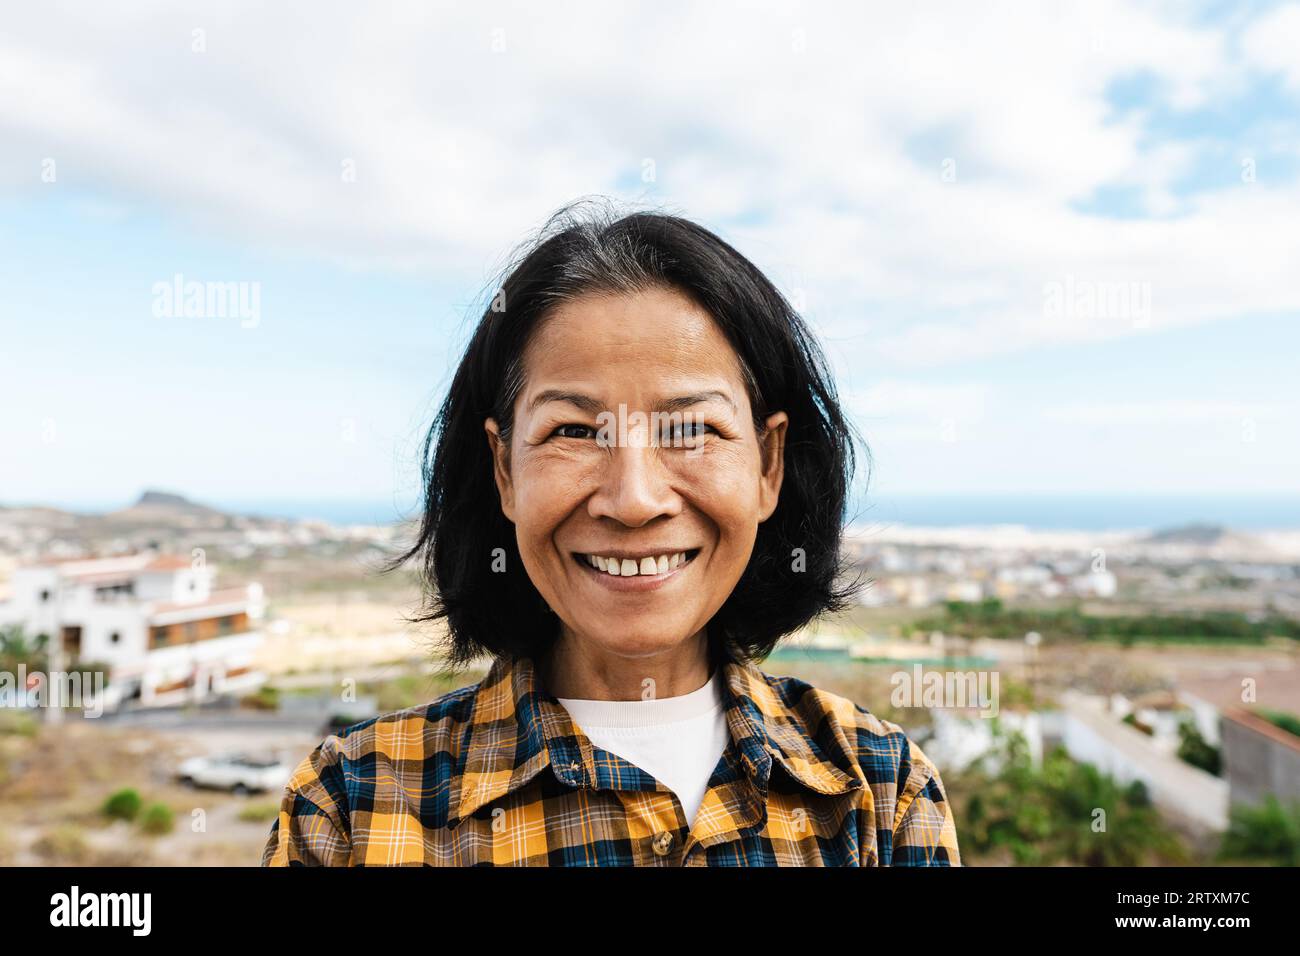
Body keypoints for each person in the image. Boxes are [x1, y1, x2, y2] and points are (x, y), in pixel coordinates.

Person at [262, 199, 960, 866]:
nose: (634, 500)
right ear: (504, 469)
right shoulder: (355, 808)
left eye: (691, 429)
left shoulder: (879, 793)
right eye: (572, 430)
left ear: (768, 465)